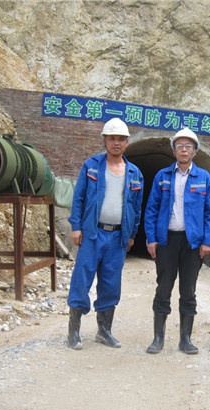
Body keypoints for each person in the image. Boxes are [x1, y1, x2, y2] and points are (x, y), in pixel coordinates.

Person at [66, 118, 144, 350]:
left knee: (111, 284)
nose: (116, 143)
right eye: (112, 138)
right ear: (105, 140)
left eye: (121, 139)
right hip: (92, 233)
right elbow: (79, 198)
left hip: (118, 237)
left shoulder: (135, 173)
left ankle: (104, 331)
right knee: (82, 280)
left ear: (127, 142)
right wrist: (76, 226)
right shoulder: (91, 166)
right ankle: (73, 332)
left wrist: (131, 235)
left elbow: (136, 207)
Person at [144, 128, 210, 355]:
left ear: (195, 151)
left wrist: (208, 241)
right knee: (163, 288)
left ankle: (185, 339)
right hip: (167, 241)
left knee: (188, 291)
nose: (184, 150)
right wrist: (151, 238)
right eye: (179, 146)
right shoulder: (162, 176)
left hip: (192, 243)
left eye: (188, 147)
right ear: (174, 150)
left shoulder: (204, 178)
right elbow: (152, 209)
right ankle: (158, 338)